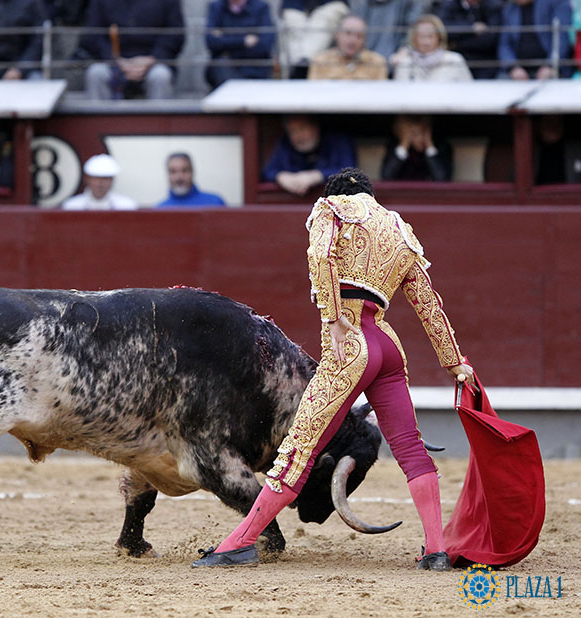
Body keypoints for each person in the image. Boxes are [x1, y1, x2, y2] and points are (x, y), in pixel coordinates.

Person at [192, 167, 475, 571]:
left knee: (298, 449)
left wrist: (335, 317)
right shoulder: (399, 229)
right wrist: (455, 363)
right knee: (410, 449)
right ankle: (436, 550)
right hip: (388, 345)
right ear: (372, 196)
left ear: (336, 193)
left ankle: (241, 541)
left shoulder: (332, 209)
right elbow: (428, 303)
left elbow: (320, 254)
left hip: (352, 344)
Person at [78, 0, 185, 99]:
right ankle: (99, 120)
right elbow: (92, 36)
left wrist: (152, 59)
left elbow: (175, 35)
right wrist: (115, 60)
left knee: (161, 76)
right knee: (96, 73)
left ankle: (160, 120)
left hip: (153, 62)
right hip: (113, 61)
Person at [262, 115, 356, 196]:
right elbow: (268, 171)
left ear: (315, 126)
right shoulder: (285, 145)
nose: (298, 136)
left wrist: (316, 176)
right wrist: (281, 177)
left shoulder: (338, 141)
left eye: (302, 129)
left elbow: (350, 171)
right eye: (292, 131)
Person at [204, 0, 277, 89]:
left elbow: (265, 46)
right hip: (225, 69)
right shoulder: (216, 7)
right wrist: (243, 41)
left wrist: (226, 44)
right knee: (222, 67)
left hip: (255, 69)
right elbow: (211, 42)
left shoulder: (261, 7)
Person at [498, 0, 573, 79]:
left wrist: (550, 65)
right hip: (518, 72)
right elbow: (504, 44)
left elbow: (562, 38)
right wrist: (512, 67)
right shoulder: (510, 8)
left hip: (553, 68)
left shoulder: (556, 2)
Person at [390, 14, 474, 80]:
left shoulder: (454, 59)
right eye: (422, 37)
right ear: (414, 38)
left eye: (430, 36)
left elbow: (468, 92)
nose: (426, 42)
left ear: (439, 37)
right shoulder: (405, 62)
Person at [435, 0, 504, 79]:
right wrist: (471, 28)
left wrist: (457, 44)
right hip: (457, 60)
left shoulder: (493, 5)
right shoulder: (449, 5)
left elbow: (490, 39)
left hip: (485, 62)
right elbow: (443, 29)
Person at [280, 1, 350, 77]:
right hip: (296, 6)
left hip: (329, 4)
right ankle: (302, 66)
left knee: (322, 22)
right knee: (293, 21)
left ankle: (302, 68)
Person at [307, 14, 388, 79]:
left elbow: (380, 95)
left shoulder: (377, 62)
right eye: (348, 33)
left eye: (359, 36)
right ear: (337, 34)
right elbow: (314, 94)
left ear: (364, 39)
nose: (353, 40)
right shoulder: (321, 61)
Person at [381, 115, 453, 181]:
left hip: (430, 194)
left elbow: (442, 178)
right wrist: (404, 144)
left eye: (423, 132)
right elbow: (387, 177)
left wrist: (429, 146)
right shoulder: (395, 147)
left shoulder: (441, 147)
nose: (420, 138)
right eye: (414, 133)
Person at [349, 0, 424, 60]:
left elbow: (413, 28)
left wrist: (405, 49)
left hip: (395, 60)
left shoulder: (408, 3)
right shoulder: (361, 4)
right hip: (365, 61)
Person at [62, 154, 138, 210]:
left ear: (112, 180)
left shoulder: (126, 206)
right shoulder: (72, 207)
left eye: (105, 179)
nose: (100, 184)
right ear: (87, 179)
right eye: (95, 178)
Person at [157, 153, 226, 207]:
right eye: (173, 172)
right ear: (168, 174)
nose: (179, 177)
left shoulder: (215, 203)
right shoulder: (160, 209)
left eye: (184, 170)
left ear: (192, 171)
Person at [534, 114, 581, 183]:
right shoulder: (528, 150)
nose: (553, 126)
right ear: (538, 124)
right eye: (548, 121)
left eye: (558, 122)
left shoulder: (576, 150)